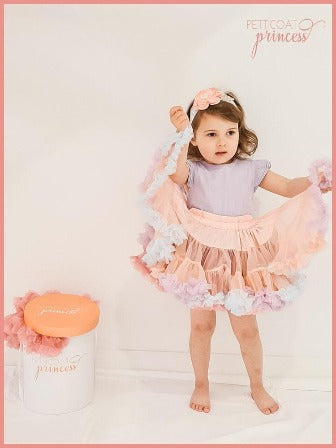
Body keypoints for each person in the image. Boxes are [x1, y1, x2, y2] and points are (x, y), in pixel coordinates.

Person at [130, 87, 332, 416]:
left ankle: (256, 384)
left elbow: (286, 187)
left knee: (247, 329)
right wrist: (180, 136)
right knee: (201, 327)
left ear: (240, 133)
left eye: (230, 132)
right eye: (210, 134)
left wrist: (315, 182)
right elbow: (175, 174)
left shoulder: (250, 169)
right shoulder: (193, 171)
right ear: (195, 139)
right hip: (201, 257)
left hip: (240, 258)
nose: (222, 142)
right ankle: (201, 383)